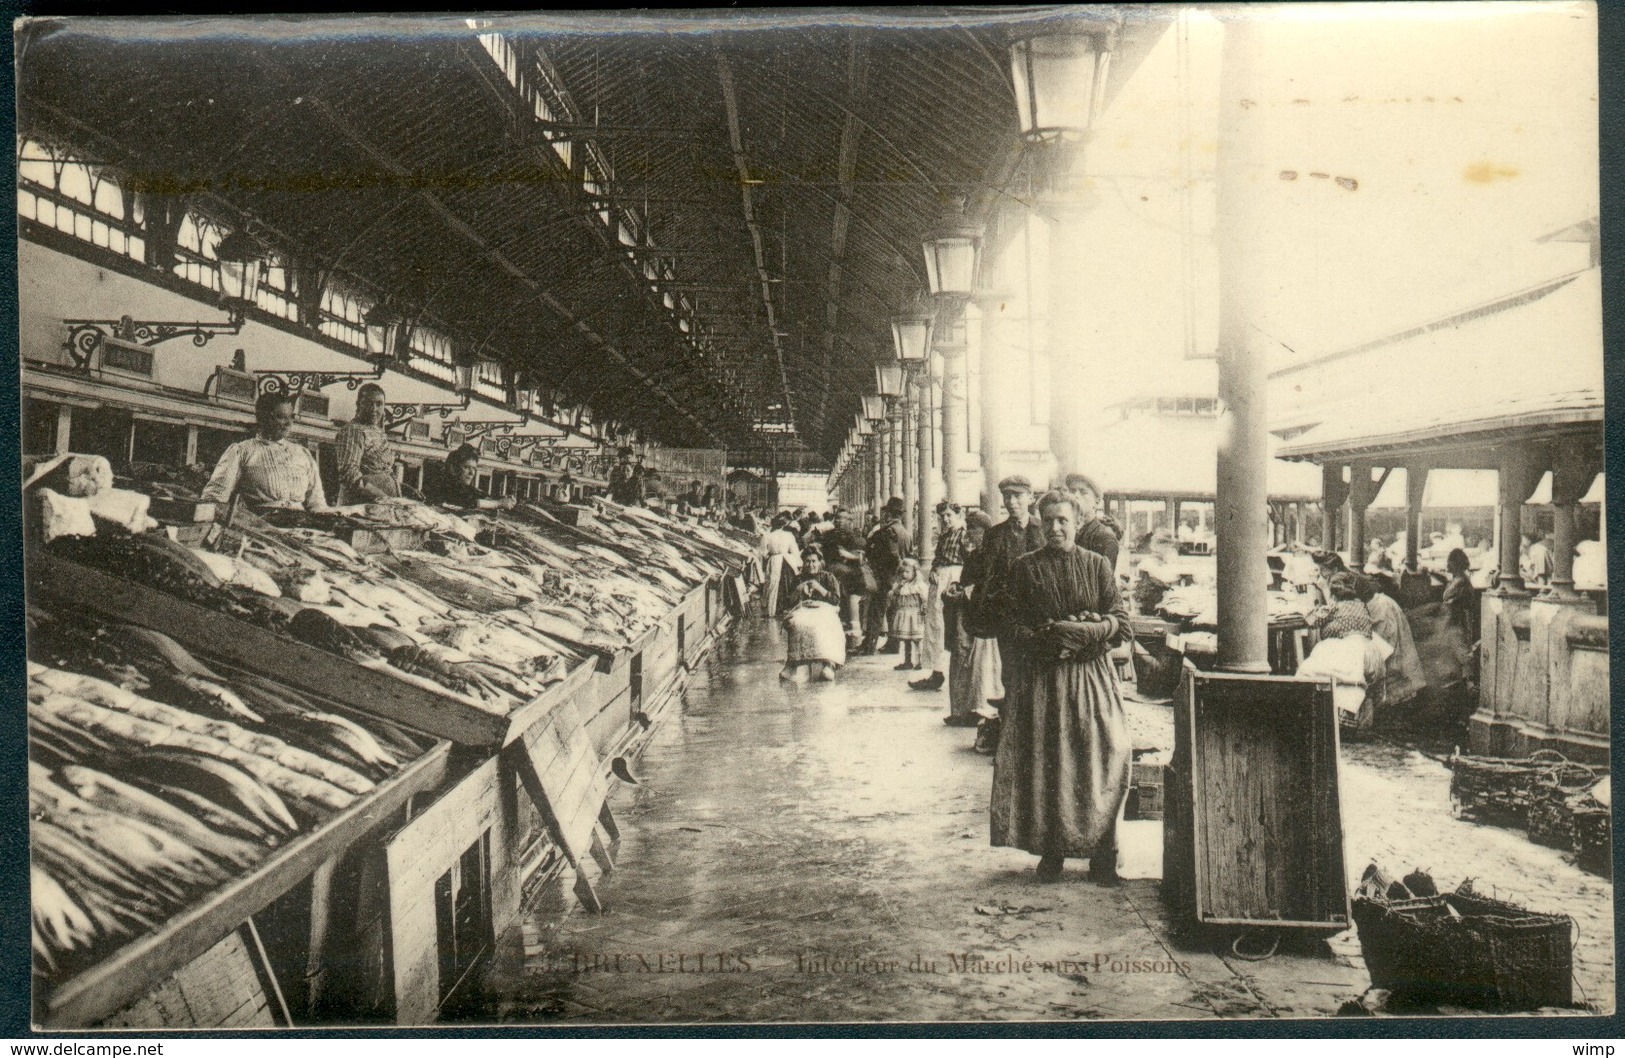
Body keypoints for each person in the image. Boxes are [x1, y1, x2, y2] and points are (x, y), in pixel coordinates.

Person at [990, 490, 1131, 885]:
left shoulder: (1098, 564)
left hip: (1092, 680)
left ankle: (1103, 853)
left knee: (1103, 757)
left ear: (1078, 521)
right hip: (1044, 678)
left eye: (1063, 520)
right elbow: (1009, 624)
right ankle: (1051, 850)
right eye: (1048, 520)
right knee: (1050, 763)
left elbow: (1121, 622)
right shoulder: (1024, 568)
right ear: (1041, 521)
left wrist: (1089, 629)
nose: (1055, 528)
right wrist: (1044, 638)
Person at [969, 477, 1046, 703]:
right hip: (1008, 616)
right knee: (1010, 671)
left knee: (1038, 670)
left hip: (1039, 614)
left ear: (1030, 498)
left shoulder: (1043, 530)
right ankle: (1011, 724)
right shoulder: (995, 534)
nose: (1011, 502)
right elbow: (987, 576)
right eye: (1007, 497)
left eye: (1017, 496)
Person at [201, 391, 329, 514]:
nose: (288, 423)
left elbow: (317, 504)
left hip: (302, 528)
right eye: (280, 417)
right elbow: (214, 498)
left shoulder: (302, 454)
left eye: (291, 417)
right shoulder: (242, 451)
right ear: (262, 418)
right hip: (260, 528)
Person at [945, 509, 996, 726]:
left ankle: (978, 708)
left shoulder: (992, 556)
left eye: (974, 529)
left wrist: (965, 592)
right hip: (967, 613)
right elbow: (966, 580)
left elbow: (988, 586)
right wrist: (956, 588)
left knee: (979, 663)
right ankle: (963, 709)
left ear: (985, 531)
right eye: (968, 528)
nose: (969, 533)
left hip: (982, 617)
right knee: (963, 659)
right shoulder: (973, 555)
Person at [911, 501, 967, 692]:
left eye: (950, 515)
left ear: (959, 515)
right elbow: (938, 557)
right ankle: (936, 672)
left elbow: (970, 560)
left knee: (950, 626)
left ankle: (952, 673)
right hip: (939, 580)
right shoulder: (944, 535)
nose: (946, 519)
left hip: (954, 578)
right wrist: (934, 569)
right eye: (942, 516)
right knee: (935, 625)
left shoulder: (963, 534)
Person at [1358, 574, 1427, 714]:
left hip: (1397, 670)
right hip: (1402, 664)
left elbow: (1383, 643)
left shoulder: (1379, 606)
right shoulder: (1382, 601)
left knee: (1396, 708)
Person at [781, 546, 845, 683]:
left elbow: (836, 600)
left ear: (820, 562)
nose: (811, 565)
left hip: (825, 609)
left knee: (826, 623)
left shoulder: (828, 577)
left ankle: (829, 664)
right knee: (796, 623)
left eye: (814, 561)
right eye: (808, 561)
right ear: (803, 563)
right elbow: (787, 603)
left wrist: (819, 588)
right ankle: (793, 664)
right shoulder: (798, 579)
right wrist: (798, 589)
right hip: (804, 609)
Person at [334, 383, 399, 506]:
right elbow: (350, 474)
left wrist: (403, 488)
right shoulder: (353, 430)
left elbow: (386, 471)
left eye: (379, 404)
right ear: (359, 405)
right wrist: (382, 497)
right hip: (360, 505)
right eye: (369, 403)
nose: (374, 409)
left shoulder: (379, 431)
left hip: (380, 505)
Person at [861, 497, 911, 654]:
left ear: (889, 514)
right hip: (899, 578)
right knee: (892, 612)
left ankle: (869, 647)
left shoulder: (887, 532)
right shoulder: (905, 533)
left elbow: (885, 554)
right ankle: (893, 644)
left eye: (886, 513)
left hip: (885, 577)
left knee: (876, 612)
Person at [820, 508, 869, 644]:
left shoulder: (856, 538)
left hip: (851, 579)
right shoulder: (827, 536)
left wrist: (851, 557)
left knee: (850, 606)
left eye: (843, 518)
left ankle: (852, 635)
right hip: (831, 576)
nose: (839, 521)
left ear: (850, 521)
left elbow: (861, 556)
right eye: (837, 518)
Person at [426, 444, 517, 511]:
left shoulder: (463, 487)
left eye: (474, 468)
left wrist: (502, 499)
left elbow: (479, 495)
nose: (471, 473)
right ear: (453, 468)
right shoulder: (445, 484)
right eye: (466, 467)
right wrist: (499, 503)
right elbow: (468, 502)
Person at [1064, 473, 1120, 570]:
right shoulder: (1062, 530)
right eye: (1072, 491)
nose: (1075, 496)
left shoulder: (1105, 538)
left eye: (1083, 492)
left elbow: (1104, 581)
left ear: (1096, 502)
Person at [888, 558, 928, 671]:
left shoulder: (919, 585)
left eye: (907, 572)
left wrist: (924, 612)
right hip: (903, 614)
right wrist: (898, 587)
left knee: (917, 639)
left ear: (915, 573)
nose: (904, 574)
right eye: (902, 572)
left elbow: (925, 599)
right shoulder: (900, 585)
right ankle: (907, 661)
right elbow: (892, 595)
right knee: (906, 640)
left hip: (915, 614)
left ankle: (920, 662)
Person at [1133, 528, 1186, 613]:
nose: (1169, 549)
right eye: (1166, 545)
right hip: (1149, 605)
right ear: (1156, 546)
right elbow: (1169, 579)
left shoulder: (1162, 562)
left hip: (1158, 603)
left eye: (1170, 546)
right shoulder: (1148, 563)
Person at [760, 512, 803, 618]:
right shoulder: (789, 535)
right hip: (787, 561)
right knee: (786, 585)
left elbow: (763, 552)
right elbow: (795, 551)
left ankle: (772, 610)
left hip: (774, 560)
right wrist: (798, 563)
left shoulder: (767, 535)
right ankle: (786, 609)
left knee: (773, 585)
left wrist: (768, 556)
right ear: (783, 525)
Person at [1442, 547, 1480, 642]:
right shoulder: (1461, 578)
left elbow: (1446, 596)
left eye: (1449, 561)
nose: (1447, 564)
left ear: (1455, 564)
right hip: (1458, 620)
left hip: (1460, 622)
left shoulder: (1460, 581)